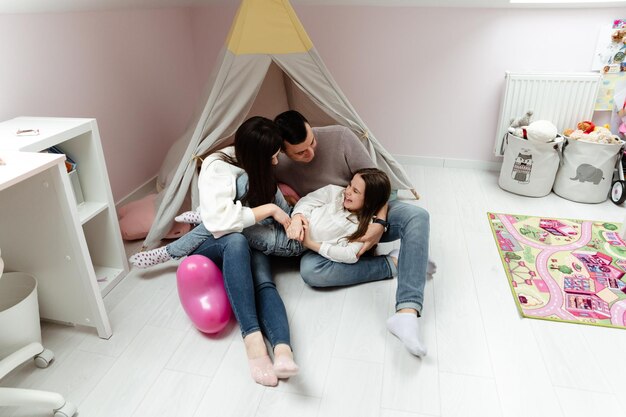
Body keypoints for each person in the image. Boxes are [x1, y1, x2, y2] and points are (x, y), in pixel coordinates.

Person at [130, 116, 298, 386]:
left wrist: (290, 215)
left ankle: (283, 351)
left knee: (264, 282)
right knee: (234, 239)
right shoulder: (218, 169)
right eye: (273, 158)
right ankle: (253, 343)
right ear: (256, 156)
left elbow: (275, 199)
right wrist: (269, 210)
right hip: (220, 237)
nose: (276, 162)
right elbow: (220, 225)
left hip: (243, 226)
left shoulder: (258, 166)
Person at [272, 110, 432, 357]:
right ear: (283, 151)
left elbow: (380, 183)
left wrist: (378, 222)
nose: (311, 153)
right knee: (311, 271)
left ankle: (407, 313)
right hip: (332, 230)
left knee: (417, 216)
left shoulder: (341, 137)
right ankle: (395, 263)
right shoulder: (277, 162)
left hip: (369, 212)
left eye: (312, 142)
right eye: (301, 152)